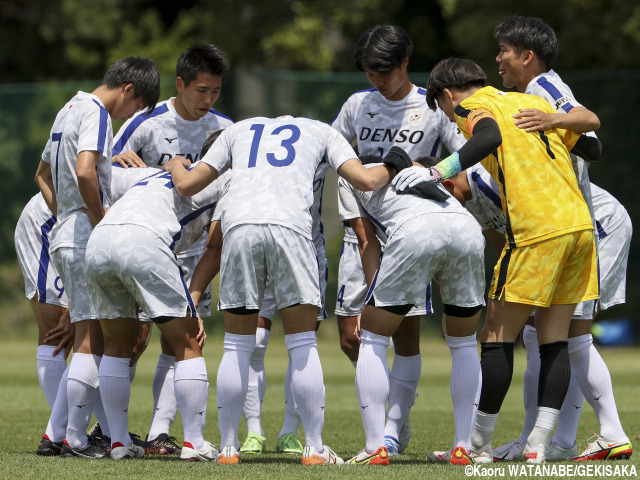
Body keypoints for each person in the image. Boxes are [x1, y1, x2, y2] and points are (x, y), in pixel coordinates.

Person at [163, 114, 408, 465]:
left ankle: (229, 449)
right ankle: (313, 449)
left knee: (236, 345)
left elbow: (186, 185)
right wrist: (394, 162)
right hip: (291, 228)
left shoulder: (237, 129)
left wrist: (174, 163)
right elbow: (367, 180)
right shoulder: (323, 130)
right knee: (302, 342)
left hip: (240, 225)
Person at [394, 57, 601, 464]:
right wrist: (553, 124)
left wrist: (437, 173)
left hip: (537, 229)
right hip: (579, 227)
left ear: (448, 95)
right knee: (554, 339)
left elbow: (486, 137)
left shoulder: (476, 106)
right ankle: (539, 445)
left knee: (496, 336)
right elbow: (592, 146)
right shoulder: (526, 105)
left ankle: (478, 447)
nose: (457, 125)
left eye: (450, 117)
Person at [489, 15, 632, 462]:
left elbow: (589, 119)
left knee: (572, 336)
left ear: (527, 57)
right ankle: (547, 439)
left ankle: (608, 433)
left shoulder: (542, 87)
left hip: (594, 223)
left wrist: (552, 118)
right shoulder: (525, 97)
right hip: (575, 224)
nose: (498, 60)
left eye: (504, 52)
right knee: (542, 335)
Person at [330, 23, 467, 456]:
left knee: (404, 337)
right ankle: (394, 399)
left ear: (405, 64)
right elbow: (331, 154)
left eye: (383, 73)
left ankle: (392, 426)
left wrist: (448, 186)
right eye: (369, 72)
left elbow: (465, 162)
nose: (375, 81)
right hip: (360, 230)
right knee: (352, 337)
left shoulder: (431, 107)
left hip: (411, 234)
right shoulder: (356, 105)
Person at [34, 56, 160, 459]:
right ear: (128, 91)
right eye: (135, 108)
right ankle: (68, 437)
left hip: (66, 233)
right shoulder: (97, 113)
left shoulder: (66, 108)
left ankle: (57, 437)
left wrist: (65, 215)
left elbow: (41, 175)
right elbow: (86, 171)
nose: (130, 116)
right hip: (84, 234)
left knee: (92, 337)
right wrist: (99, 219)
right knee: (93, 341)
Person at [111, 43, 232, 455]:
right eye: (201, 90)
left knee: (182, 339)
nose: (208, 99)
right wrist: (119, 159)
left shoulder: (225, 129)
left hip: (195, 248)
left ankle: (160, 432)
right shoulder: (146, 120)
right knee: (133, 338)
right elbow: (103, 167)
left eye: (215, 91)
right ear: (179, 84)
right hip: (148, 243)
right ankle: (113, 430)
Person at [338, 156, 485, 465]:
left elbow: (367, 242)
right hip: (467, 229)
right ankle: (463, 447)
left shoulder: (348, 177)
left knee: (374, 338)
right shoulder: (417, 168)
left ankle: (374, 447)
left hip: (415, 231)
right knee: (463, 342)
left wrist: (372, 299)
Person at [15, 193, 74, 456]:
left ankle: (105, 433)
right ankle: (69, 433)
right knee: (57, 328)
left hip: (89, 224)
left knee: (115, 334)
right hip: (50, 221)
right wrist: (77, 307)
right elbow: (44, 171)